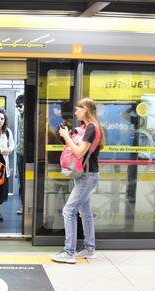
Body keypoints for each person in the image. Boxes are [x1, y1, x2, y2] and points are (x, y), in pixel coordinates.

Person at [51, 97, 106, 264]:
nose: (75, 112)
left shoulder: (91, 128)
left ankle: (69, 252)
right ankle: (89, 248)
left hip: (86, 177)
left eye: (78, 109)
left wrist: (66, 136)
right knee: (85, 213)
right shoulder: (90, 127)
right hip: (87, 175)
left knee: (69, 211)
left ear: (86, 110)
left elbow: (79, 152)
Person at [15, 95, 25, 215]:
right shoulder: (21, 117)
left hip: (26, 155)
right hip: (20, 153)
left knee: (26, 181)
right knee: (22, 182)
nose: (18, 109)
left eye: (20, 106)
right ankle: (24, 205)